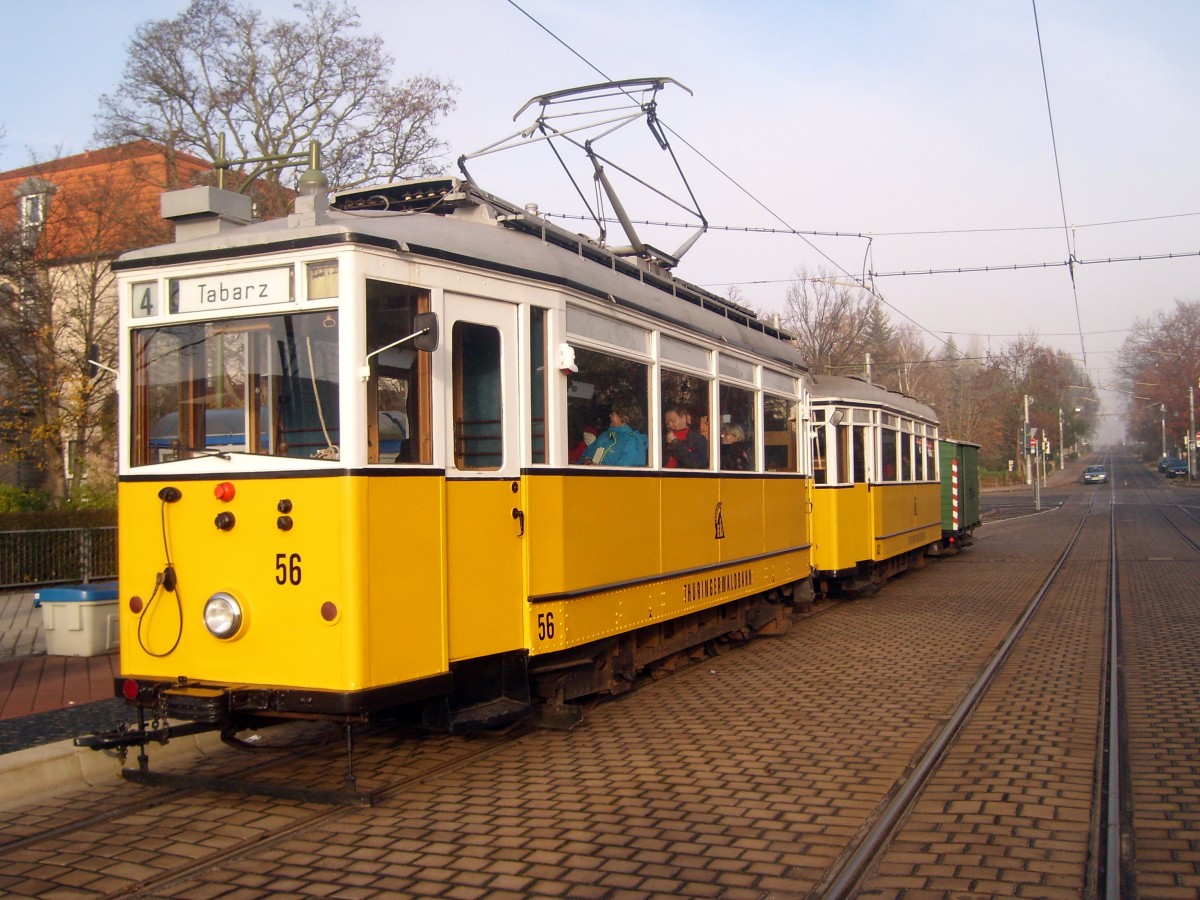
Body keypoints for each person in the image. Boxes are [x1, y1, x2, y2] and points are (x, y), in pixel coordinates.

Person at [582, 401, 648, 466]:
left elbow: (626, 474)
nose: (610, 415)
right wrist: (586, 462)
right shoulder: (605, 435)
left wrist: (599, 470)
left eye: (613, 414)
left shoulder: (633, 441)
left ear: (625, 418)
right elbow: (584, 456)